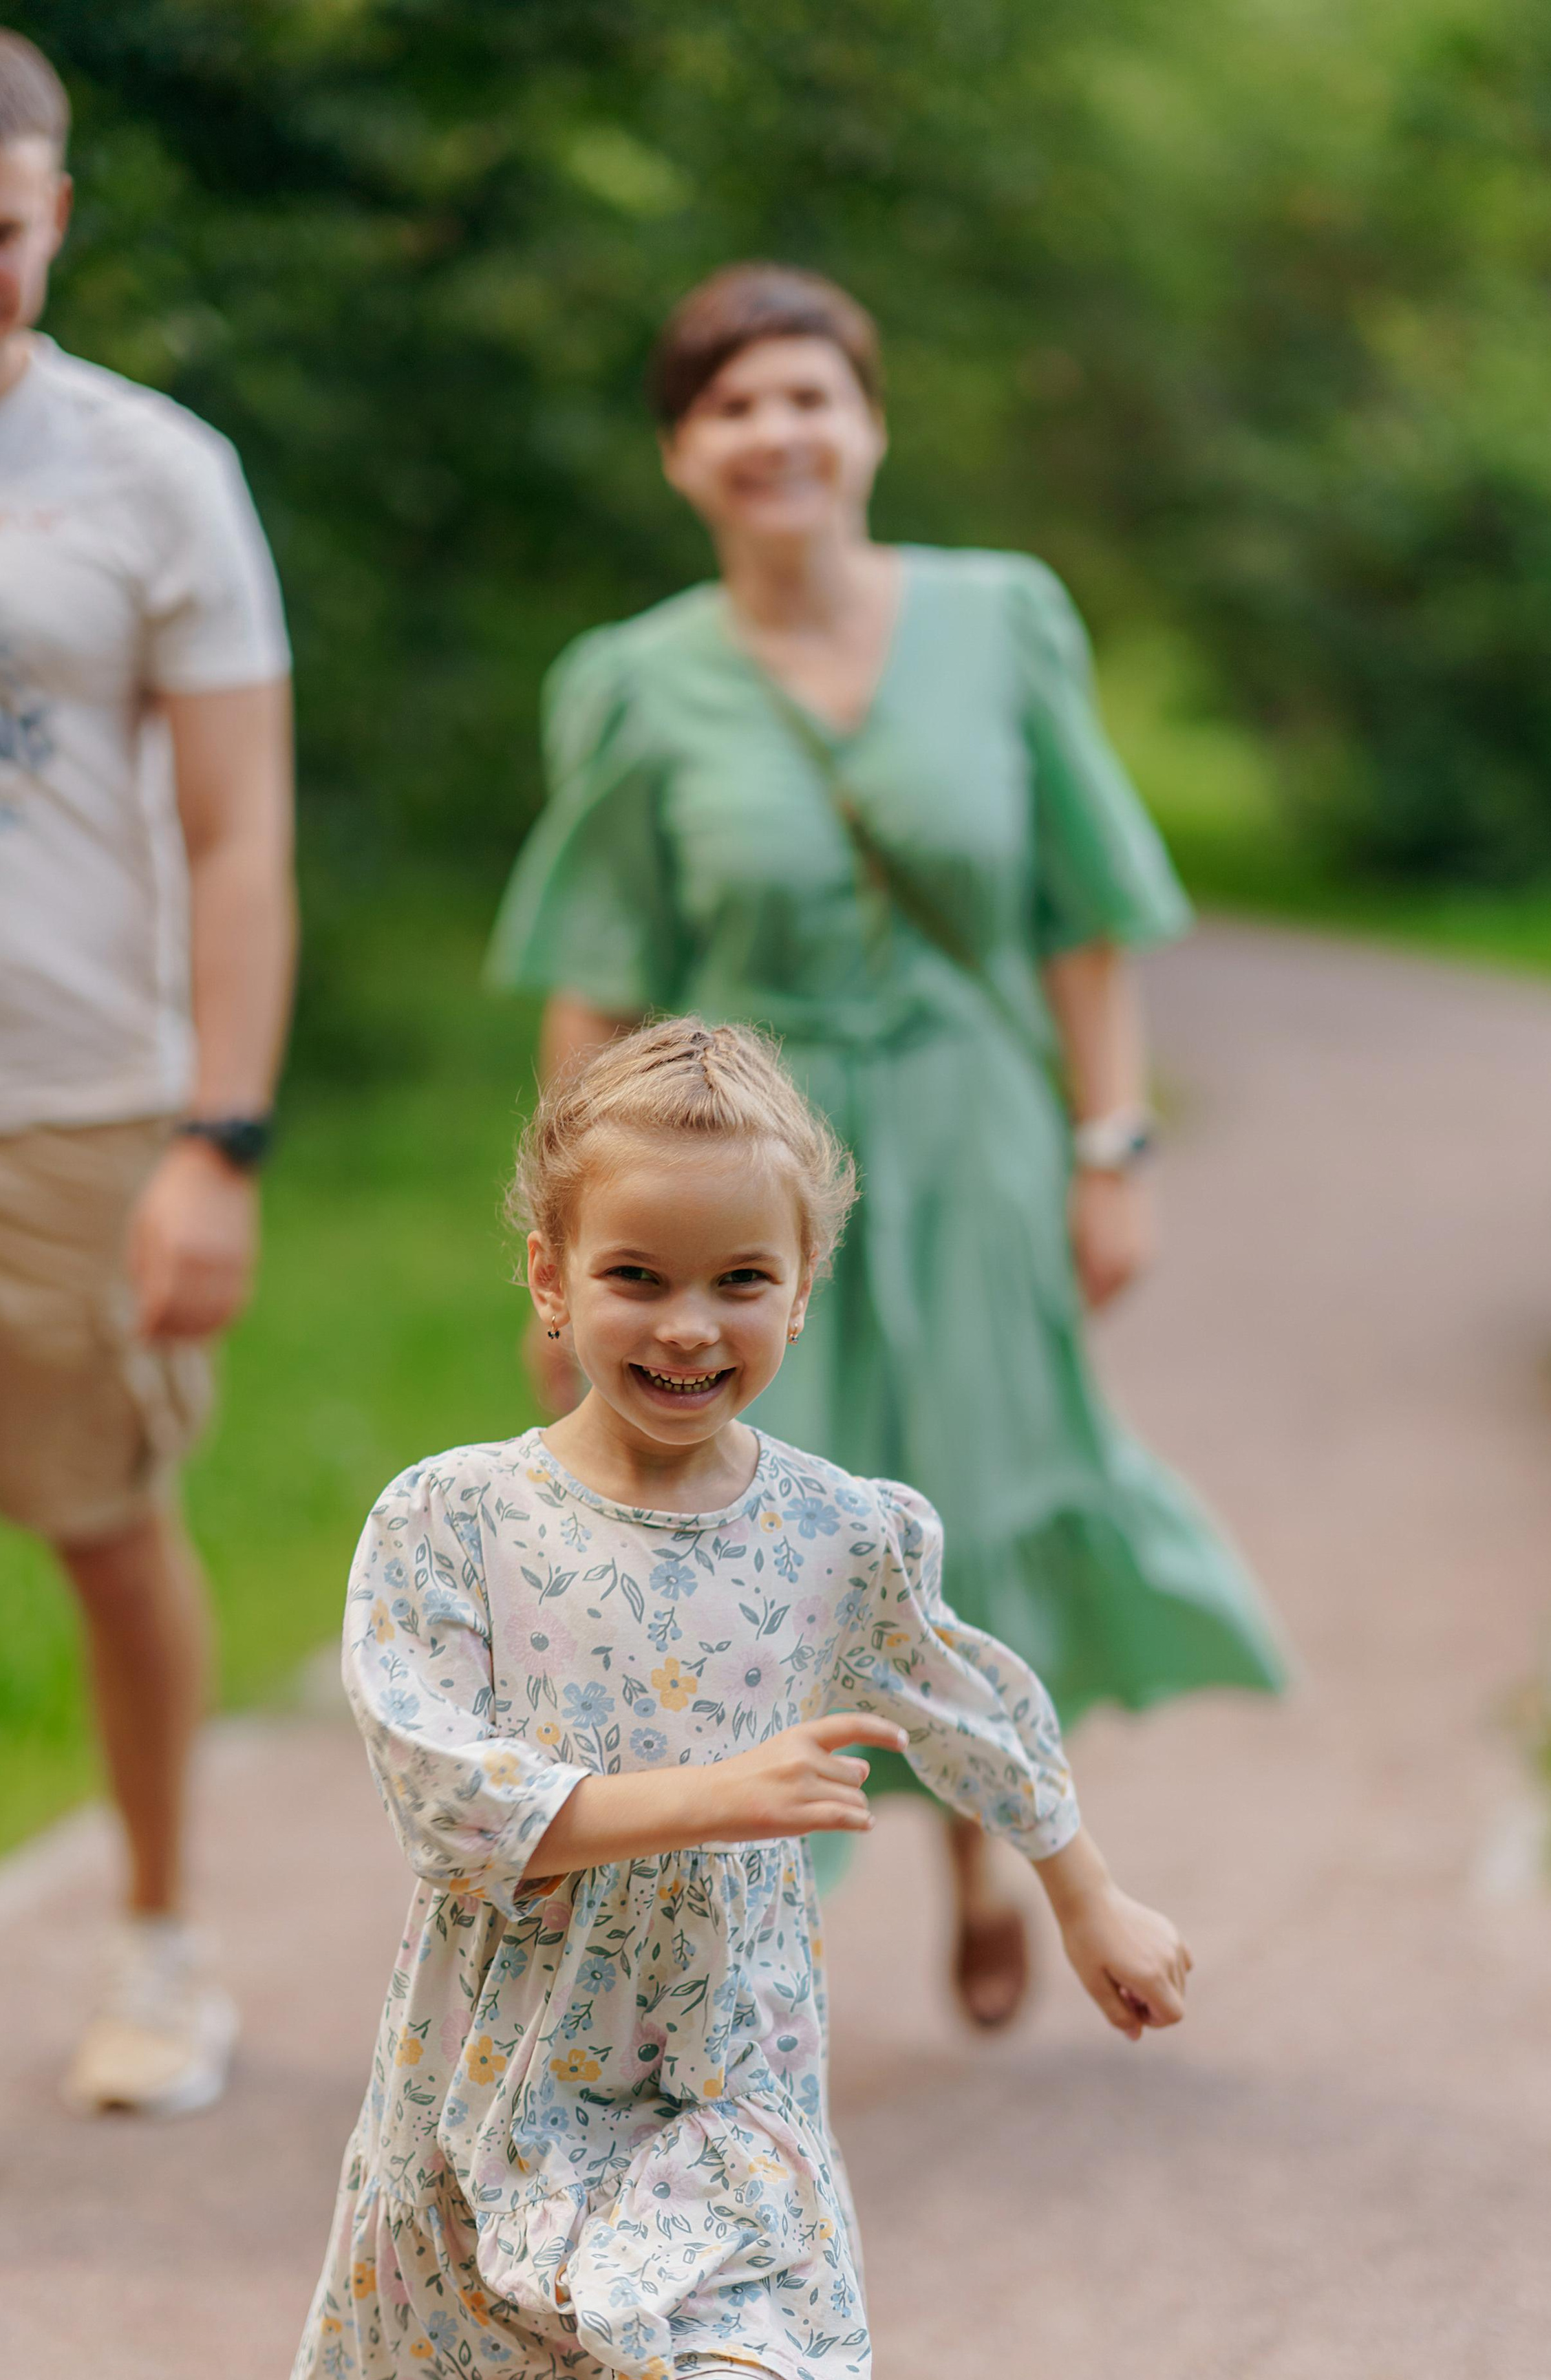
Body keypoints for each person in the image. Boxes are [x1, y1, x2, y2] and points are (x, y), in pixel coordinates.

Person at [274, 1017, 1188, 2380]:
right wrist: (716, 1796)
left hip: (723, 2082)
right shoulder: (453, 1524)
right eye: (636, 1276)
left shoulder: (841, 1534)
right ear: (550, 1280)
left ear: (800, 1284)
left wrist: (1083, 1895)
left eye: (737, 1282)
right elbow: (447, 1796)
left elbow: (967, 1704)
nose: (687, 1327)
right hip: (503, 2088)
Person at [489, 263, 1283, 2030]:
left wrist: (1109, 1146)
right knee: (756, 1514)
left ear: (866, 421)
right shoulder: (630, 681)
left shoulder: (1001, 619)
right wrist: (565, 1239)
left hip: (971, 1124)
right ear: (682, 456)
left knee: (980, 1496)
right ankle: (745, 1929)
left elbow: (1082, 914)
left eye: (807, 394)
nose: (776, 432)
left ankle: (994, 1849)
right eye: (730, 407)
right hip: (733, 1168)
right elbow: (593, 979)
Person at [0, 19, 295, 2115]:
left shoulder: (152, 474)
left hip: (77, 1114)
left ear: (53, 223)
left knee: (107, 1532)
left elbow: (240, 835)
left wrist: (217, 1138)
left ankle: (160, 1945)